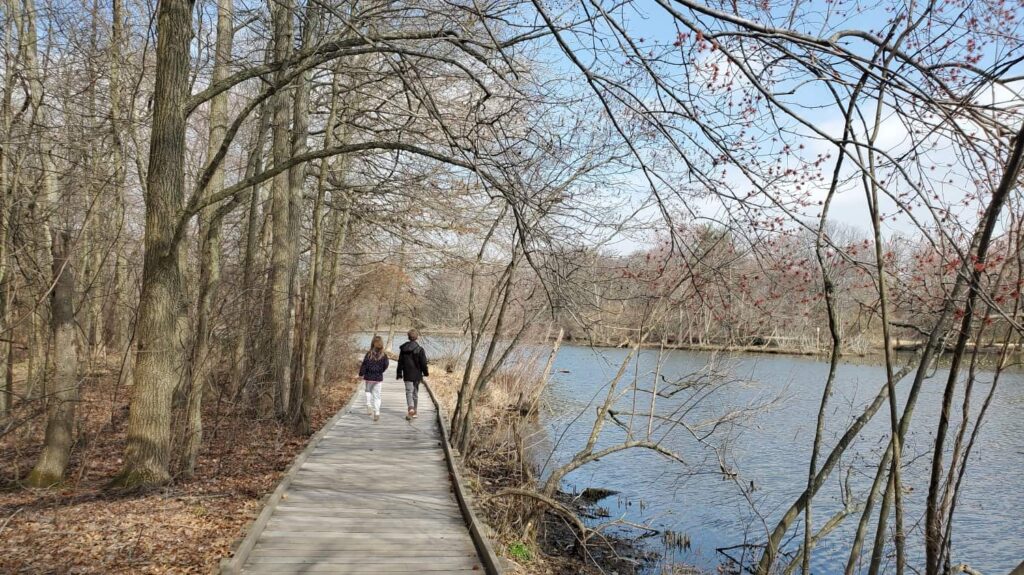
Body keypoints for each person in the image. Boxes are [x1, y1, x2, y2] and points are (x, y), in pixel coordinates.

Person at [396, 329, 429, 420]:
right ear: (417, 337)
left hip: (407, 373)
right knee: (415, 392)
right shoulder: (420, 349)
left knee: (408, 391)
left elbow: (400, 362)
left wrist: (399, 373)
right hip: (417, 374)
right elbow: (423, 363)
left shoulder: (403, 349)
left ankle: (411, 408)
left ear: (408, 337)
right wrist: (425, 372)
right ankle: (414, 410)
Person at [359, 335, 388, 422]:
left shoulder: (369, 354)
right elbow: (386, 365)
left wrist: (361, 374)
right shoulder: (384, 355)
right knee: (377, 396)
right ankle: (377, 413)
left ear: (372, 343)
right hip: (378, 378)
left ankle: (368, 404)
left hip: (369, 377)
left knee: (368, 391)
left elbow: (364, 365)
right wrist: (381, 371)